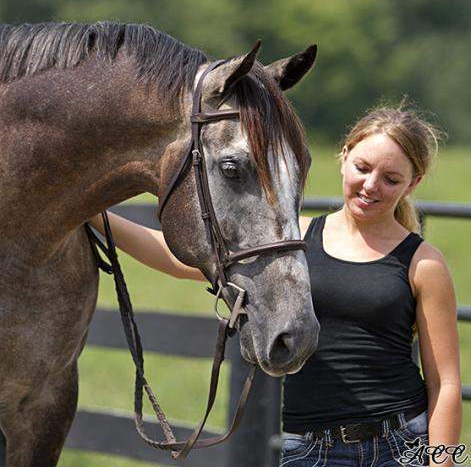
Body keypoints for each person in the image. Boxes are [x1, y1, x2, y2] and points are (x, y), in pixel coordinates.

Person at [89, 106, 462, 466]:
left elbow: (444, 383)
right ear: (344, 156)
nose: (371, 185)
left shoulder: (423, 263)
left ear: (413, 183)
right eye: (362, 168)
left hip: (400, 444)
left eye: (391, 179)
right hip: (310, 448)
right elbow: (175, 260)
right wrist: (92, 214)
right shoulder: (293, 237)